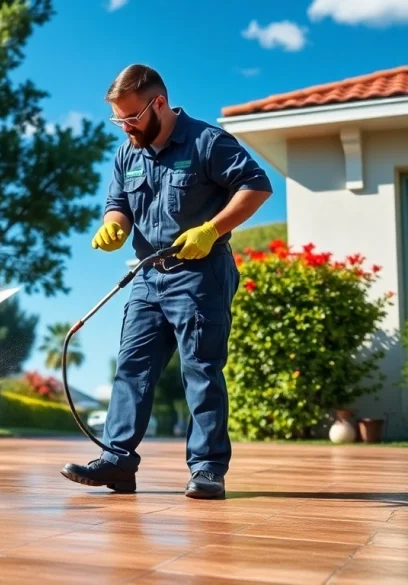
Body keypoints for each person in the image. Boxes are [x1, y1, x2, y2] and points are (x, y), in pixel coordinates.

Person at [60, 64, 273, 499]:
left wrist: (211, 230)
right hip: (145, 276)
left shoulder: (207, 141)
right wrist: (114, 225)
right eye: (118, 120)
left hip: (200, 275)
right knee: (132, 368)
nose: (125, 127)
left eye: (132, 117)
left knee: (201, 370)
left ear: (159, 103)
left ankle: (208, 468)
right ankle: (118, 461)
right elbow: (118, 202)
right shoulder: (127, 153)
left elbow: (256, 186)